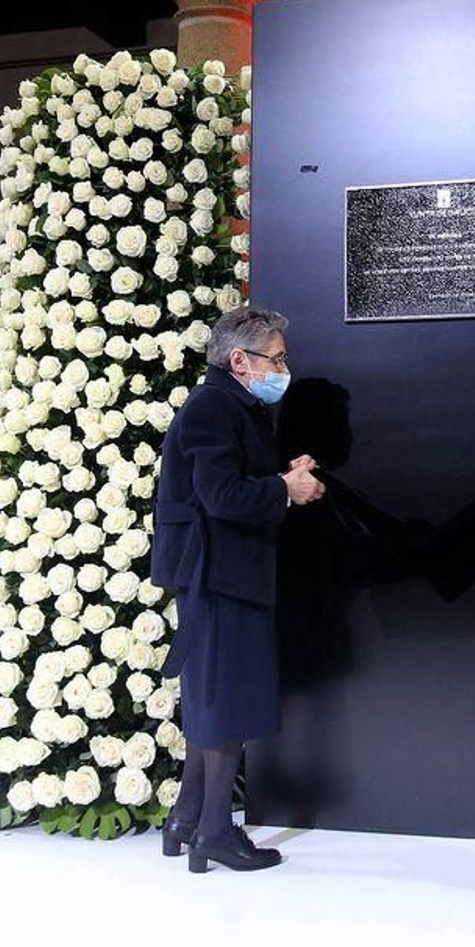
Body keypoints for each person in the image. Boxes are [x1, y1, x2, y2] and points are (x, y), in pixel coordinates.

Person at [151, 306, 324, 873]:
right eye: (275, 358)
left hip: (223, 571)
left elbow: (229, 479)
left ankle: (188, 820)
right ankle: (214, 835)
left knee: (212, 695)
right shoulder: (212, 405)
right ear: (240, 360)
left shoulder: (231, 404)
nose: (283, 368)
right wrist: (283, 488)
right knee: (223, 700)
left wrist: (282, 474)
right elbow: (220, 496)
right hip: (215, 572)